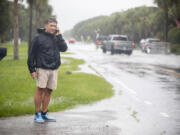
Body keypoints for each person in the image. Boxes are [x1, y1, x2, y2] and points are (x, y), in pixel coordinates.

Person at [27, 18, 68, 123]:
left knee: (49, 91)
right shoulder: (38, 38)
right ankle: (37, 114)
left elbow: (64, 48)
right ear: (46, 26)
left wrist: (59, 35)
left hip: (54, 68)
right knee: (40, 90)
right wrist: (32, 69)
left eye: (55, 26)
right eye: (51, 25)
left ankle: (44, 113)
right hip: (42, 67)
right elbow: (31, 54)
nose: (53, 28)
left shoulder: (56, 37)